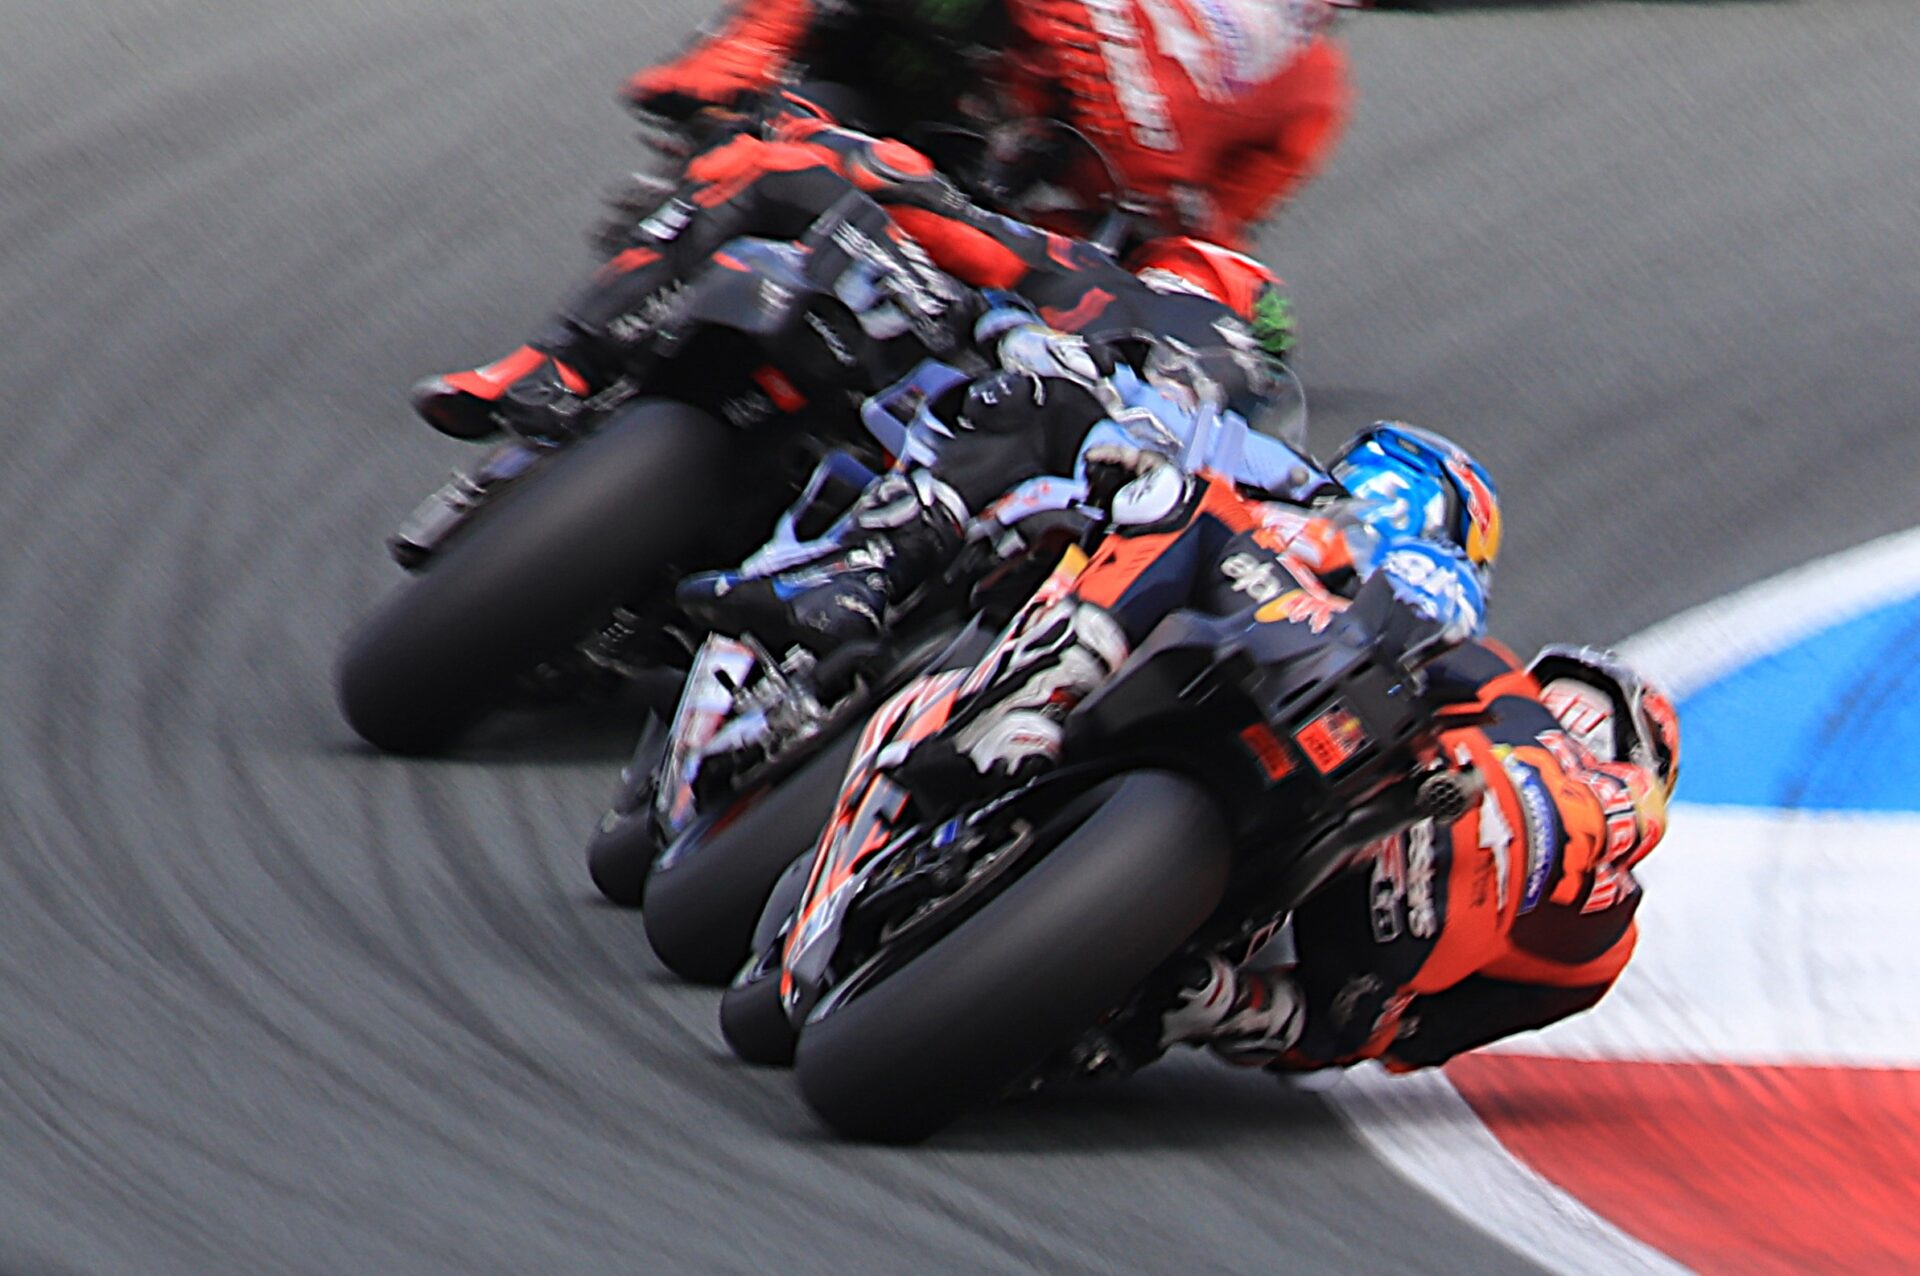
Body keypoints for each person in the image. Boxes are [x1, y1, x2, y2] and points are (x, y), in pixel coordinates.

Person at [883, 441, 1680, 1076]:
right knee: (1330, 1016)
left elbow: (1413, 1035)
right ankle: (1212, 1001)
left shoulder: (1495, 681)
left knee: (1184, 508)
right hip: (1308, 839)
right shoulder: (1597, 928)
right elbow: (1408, 1043)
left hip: (1322, 788)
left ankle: (1039, 705)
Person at [622, 0, 1352, 245]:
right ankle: (739, 63)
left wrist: (1164, 222)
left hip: (998, 188)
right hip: (910, 69)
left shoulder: (1311, 91)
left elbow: (1214, 229)